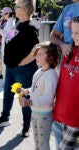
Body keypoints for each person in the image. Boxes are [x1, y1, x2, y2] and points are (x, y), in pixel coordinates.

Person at [0, 0, 39, 137]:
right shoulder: (17, 24)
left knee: (24, 97)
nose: (14, 9)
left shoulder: (30, 27)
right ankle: (4, 118)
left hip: (23, 70)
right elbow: (9, 38)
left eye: (17, 7)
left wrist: (22, 62)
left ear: (24, 10)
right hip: (11, 68)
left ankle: (27, 126)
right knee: (7, 94)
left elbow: (36, 50)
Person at [18, 41, 59, 150]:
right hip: (35, 112)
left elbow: (48, 97)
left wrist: (29, 102)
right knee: (37, 142)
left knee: (43, 143)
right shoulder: (38, 72)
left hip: (44, 115)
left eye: (40, 54)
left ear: (50, 56)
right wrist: (26, 91)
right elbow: (35, 89)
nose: (36, 56)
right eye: (36, 54)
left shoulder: (51, 75)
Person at [50, 1, 79, 149]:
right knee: (60, 130)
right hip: (66, 67)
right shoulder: (68, 9)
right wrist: (62, 44)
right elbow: (53, 36)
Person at [0, 7, 14, 79]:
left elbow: (9, 36)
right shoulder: (9, 21)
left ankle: (6, 82)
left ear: (8, 14)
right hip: (5, 47)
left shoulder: (12, 22)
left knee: (6, 66)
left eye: (4, 14)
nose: (3, 16)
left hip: (7, 48)